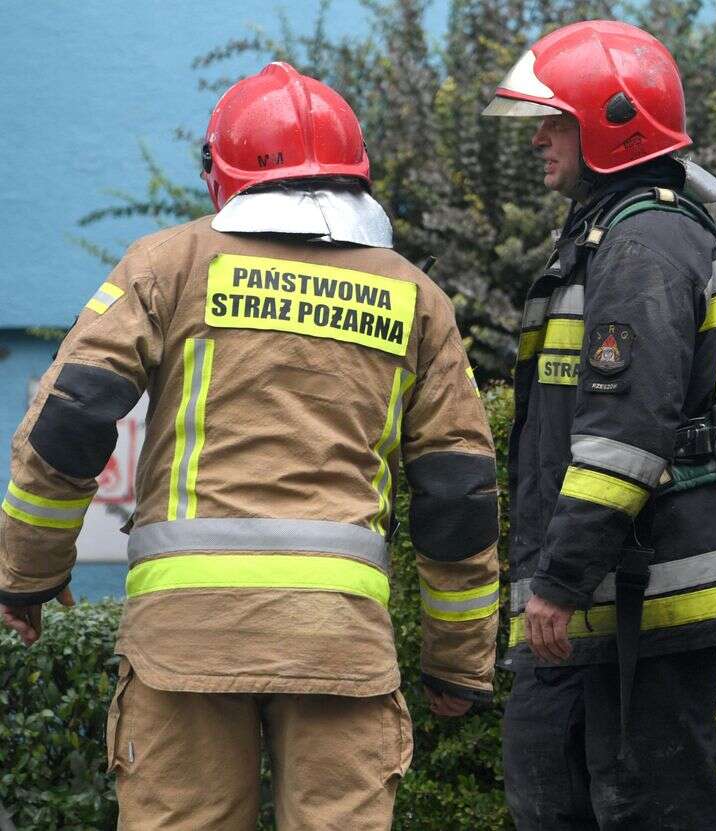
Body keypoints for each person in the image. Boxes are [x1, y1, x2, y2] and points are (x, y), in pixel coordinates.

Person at [0, 62, 500, 829]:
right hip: (338, 641)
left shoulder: (166, 265)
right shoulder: (415, 295)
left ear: (219, 173)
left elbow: (71, 418)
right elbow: (458, 488)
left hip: (186, 637)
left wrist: (26, 573)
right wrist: (459, 659)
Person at [482, 20, 716, 830]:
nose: (538, 138)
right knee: (551, 785)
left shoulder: (642, 246)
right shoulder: (610, 234)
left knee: (649, 810)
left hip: (638, 602)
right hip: (607, 602)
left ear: (609, 123)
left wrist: (560, 579)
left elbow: (624, 437)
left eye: (554, 120)